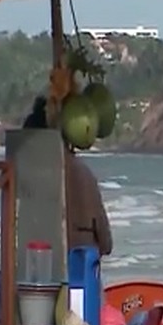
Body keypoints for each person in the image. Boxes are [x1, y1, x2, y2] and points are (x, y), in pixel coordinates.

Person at [24, 96, 113, 257]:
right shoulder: (86, 175)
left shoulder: (35, 179)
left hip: (48, 272)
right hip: (85, 275)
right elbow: (106, 243)